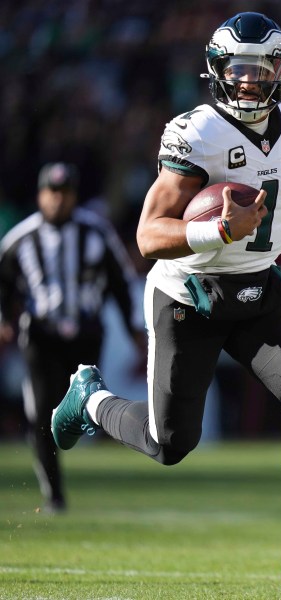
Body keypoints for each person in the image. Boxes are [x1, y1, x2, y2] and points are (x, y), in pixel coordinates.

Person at [51, 12, 281, 594]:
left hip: (256, 284)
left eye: (262, 68)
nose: (249, 81)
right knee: (170, 444)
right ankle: (91, 398)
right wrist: (216, 233)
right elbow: (149, 235)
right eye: (237, 68)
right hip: (191, 294)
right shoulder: (197, 132)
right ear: (217, 71)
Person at [0, 162, 146, 513]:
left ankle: (105, 452)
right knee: (40, 411)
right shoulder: (21, 238)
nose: (58, 200)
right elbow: (3, 285)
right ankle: (54, 493)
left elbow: (120, 281)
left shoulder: (95, 232)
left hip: (86, 333)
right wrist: (5, 320)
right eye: (52, 192)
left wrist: (133, 326)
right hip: (41, 335)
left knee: (88, 404)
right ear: (40, 194)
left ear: (74, 195)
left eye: (64, 193)